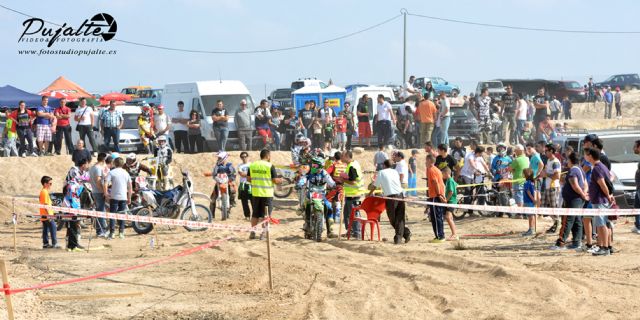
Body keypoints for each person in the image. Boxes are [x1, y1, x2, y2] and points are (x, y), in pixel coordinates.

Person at [551, 152, 588, 250]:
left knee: (567, 220)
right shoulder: (581, 170)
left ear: (570, 160)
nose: (566, 161)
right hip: (578, 199)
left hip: (573, 200)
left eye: (567, 159)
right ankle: (577, 242)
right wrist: (583, 194)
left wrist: (582, 194)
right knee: (577, 220)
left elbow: (575, 185)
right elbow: (585, 185)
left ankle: (560, 243)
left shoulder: (573, 171)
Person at [370, 159, 411, 244]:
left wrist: (369, 193)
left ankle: (399, 237)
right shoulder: (395, 172)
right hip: (400, 195)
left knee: (393, 219)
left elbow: (375, 186)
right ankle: (405, 234)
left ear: (384, 166)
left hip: (391, 197)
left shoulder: (381, 172)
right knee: (399, 218)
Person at [247, 149, 282, 239]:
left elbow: (248, 179)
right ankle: (263, 233)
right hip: (267, 194)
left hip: (255, 193)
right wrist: (280, 180)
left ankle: (253, 232)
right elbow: (274, 180)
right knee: (265, 215)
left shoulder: (252, 165)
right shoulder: (270, 166)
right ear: (267, 156)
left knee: (255, 214)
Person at [585, 148, 614, 256]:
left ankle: (605, 248)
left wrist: (608, 195)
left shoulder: (597, 168)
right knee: (602, 224)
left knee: (602, 225)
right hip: (599, 200)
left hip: (600, 200)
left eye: (587, 155)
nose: (586, 157)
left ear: (591, 156)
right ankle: (604, 246)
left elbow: (602, 184)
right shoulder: (601, 167)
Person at [63, 158, 90, 252]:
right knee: (72, 223)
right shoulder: (74, 171)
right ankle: (73, 245)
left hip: (76, 200)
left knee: (75, 223)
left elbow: (87, 179)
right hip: (70, 202)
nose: (88, 166)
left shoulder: (81, 178)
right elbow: (82, 179)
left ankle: (72, 244)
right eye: (87, 164)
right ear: (83, 164)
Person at [104, 157, 132, 240]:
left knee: (112, 214)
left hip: (114, 196)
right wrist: (129, 197)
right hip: (123, 197)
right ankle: (121, 232)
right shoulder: (126, 173)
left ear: (114, 164)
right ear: (123, 164)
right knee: (122, 215)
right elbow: (130, 187)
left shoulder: (111, 172)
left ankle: (112, 233)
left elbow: (105, 183)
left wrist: (106, 193)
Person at [340, 150, 364, 238]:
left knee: (354, 214)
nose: (341, 157)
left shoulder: (352, 166)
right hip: (351, 195)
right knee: (347, 214)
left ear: (346, 156)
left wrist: (343, 180)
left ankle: (357, 233)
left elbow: (353, 182)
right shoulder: (352, 164)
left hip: (354, 195)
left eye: (342, 155)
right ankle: (350, 231)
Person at [542, 143, 562, 234]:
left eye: (546, 151)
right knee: (546, 208)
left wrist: (546, 175)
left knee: (553, 208)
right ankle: (556, 223)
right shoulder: (549, 161)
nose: (545, 152)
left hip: (553, 187)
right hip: (548, 186)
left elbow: (557, 176)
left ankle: (557, 224)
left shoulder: (555, 162)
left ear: (551, 151)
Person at [425, 154, 446, 243]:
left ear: (430, 160)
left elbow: (435, 182)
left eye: (426, 160)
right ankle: (440, 235)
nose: (425, 162)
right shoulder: (437, 169)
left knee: (436, 217)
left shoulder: (431, 170)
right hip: (437, 195)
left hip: (435, 196)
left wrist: (438, 194)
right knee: (438, 217)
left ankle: (440, 236)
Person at [89, 152, 109, 238]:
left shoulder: (93, 167)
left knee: (99, 211)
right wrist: (104, 192)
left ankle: (99, 230)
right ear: (104, 160)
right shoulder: (97, 168)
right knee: (101, 212)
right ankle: (101, 231)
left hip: (95, 191)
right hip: (98, 192)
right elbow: (98, 181)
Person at [491, 142, 513, 211]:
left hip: (506, 179)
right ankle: (497, 210)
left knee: (505, 194)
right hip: (497, 178)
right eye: (499, 148)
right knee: (495, 194)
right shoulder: (495, 158)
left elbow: (512, 168)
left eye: (502, 148)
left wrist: (509, 174)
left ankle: (506, 209)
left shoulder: (509, 159)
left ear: (505, 149)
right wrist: (496, 171)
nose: (500, 150)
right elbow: (492, 168)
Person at [39, 176, 59, 249]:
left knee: (45, 229)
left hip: (44, 214)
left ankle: (46, 244)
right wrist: (49, 216)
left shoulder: (44, 191)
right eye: (50, 183)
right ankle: (54, 244)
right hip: (47, 215)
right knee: (53, 228)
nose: (51, 185)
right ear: (45, 184)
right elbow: (46, 205)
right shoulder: (44, 192)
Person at [509, 144, 530, 211]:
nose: (515, 152)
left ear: (519, 151)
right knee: (524, 197)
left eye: (516, 150)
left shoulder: (517, 160)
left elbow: (510, 168)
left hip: (518, 181)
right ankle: (524, 212)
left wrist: (513, 171)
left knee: (519, 197)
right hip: (526, 180)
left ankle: (520, 213)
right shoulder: (527, 158)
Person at [442, 167, 459, 240]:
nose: (442, 175)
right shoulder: (450, 180)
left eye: (442, 173)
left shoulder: (449, 181)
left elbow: (451, 192)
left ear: (446, 173)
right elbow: (456, 185)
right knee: (449, 217)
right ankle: (454, 234)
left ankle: (454, 234)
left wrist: (446, 199)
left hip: (451, 201)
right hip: (452, 201)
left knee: (448, 217)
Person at [521, 168, 539, 236]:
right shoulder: (531, 182)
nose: (522, 174)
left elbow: (528, 192)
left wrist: (533, 200)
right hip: (530, 201)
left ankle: (531, 229)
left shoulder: (526, 183)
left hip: (529, 201)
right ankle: (531, 229)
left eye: (523, 173)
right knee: (531, 216)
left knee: (531, 216)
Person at [237, 151, 252, 220]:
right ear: (241, 158)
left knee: (253, 201)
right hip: (243, 184)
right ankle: (247, 216)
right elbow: (241, 174)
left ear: (247, 157)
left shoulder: (251, 165)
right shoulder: (239, 165)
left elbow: (252, 174)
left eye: (245, 156)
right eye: (242, 157)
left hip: (251, 184)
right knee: (244, 201)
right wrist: (248, 174)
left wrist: (246, 174)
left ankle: (255, 215)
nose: (244, 158)